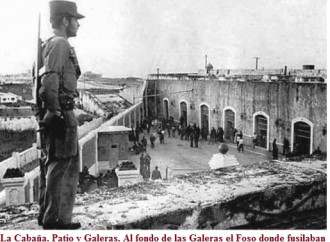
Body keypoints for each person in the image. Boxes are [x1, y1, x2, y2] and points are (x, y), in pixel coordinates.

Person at [38, 0, 84, 230]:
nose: (78, 25)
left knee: (55, 166)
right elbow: (50, 80)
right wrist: (55, 111)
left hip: (60, 112)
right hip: (63, 114)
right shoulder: (60, 45)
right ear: (65, 21)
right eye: (76, 20)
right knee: (63, 168)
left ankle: (49, 216)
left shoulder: (53, 44)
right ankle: (55, 221)